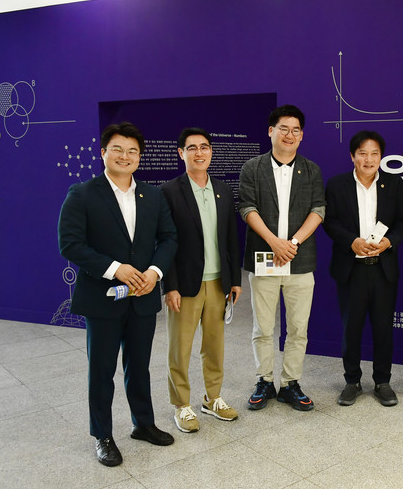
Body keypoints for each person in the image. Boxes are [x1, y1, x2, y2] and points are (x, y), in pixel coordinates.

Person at [58, 122, 178, 467]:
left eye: (132, 151)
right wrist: (115, 268)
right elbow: (70, 244)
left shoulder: (152, 195)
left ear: (139, 157)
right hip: (103, 298)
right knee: (102, 370)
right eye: (118, 149)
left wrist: (154, 273)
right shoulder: (82, 194)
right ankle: (103, 435)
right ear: (103, 153)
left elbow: (169, 238)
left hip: (142, 296)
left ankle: (143, 424)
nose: (125, 156)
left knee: (139, 366)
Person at [239, 105, 325, 411]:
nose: (289, 134)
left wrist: (293, 243)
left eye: (295, 130)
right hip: (265, 256)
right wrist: (275, 242)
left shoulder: (311, 170)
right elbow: (247, 207)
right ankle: (264, 379)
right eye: (283, 128)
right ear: (270, 131)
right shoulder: (253, 167)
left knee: (298, 328)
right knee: (263, 327)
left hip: (299, 260)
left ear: (301, 136)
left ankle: (290, 383)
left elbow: (318, 210)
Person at [160, 128, 242, 433]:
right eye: (192, 147)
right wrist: (170, 285)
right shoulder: (169, 191)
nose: (199, 152)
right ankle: (182, 404)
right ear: (181, 153)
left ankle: (213, 398)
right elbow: (164, 242)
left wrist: (234, 279)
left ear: (211, 151)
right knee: (180, 348)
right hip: (185, 285)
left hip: (218, 282)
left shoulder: (222, 189)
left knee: (214, 345)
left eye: (204, 147)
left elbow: (231, 238)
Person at [324, 130, 403, 407]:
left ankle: (383, 382)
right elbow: (330, 221)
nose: (369, 159)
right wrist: (352, 241)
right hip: (351, 268)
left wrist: (388, 242)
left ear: (381, 157)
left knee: (383, 328)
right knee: (351, 328)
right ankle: (352, 381)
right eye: (362, 153)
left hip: (383, 268)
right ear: (353, 156)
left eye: (374, 154)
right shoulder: (337, 185)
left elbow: (402, 221)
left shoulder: (393, 184)